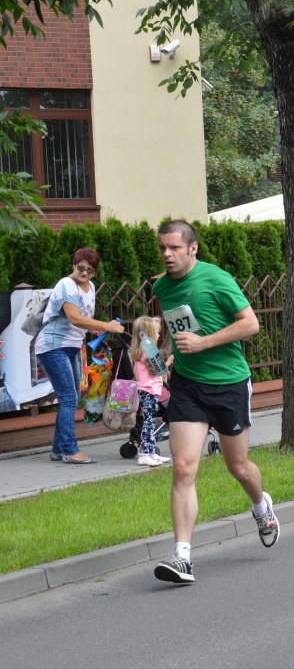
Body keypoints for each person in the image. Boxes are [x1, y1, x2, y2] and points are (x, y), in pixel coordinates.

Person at [152, 220, 278, 584]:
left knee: (238, 467)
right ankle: (182, 558)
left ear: (192, 248)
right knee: (184, 467)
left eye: (174, 248)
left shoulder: (217, 279)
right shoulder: (162, 286)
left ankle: (261, 507)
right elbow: (176, 330)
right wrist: (162, 359)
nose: (167, 254)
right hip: (188, 387)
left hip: (228, 384)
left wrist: (204, 343)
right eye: (162, 248)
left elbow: (250, 324)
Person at [34, 248, 124, 464]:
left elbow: (83, 319)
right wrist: (106, 325)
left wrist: (95, 329)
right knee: (68, 398)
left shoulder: (90, 286)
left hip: (72, 346)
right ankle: (69, 450)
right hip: (53, 346)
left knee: (72, 397)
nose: (84, 273)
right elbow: (74, 318)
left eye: (89, 270)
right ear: (73, 265)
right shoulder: (66, 285)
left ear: (94, 272)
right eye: (80, 267)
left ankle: (58, 449)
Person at [130, 316, 172, 467]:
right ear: (148, 333)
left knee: (150, 421)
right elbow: (157, 370)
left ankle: (151, 452)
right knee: (149, 423)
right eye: (157, 332)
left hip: (146, 389)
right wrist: (169, 361)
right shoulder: (148, 350)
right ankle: (144, 454)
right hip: (149, 390)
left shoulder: (139, 349)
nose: (159, 335)